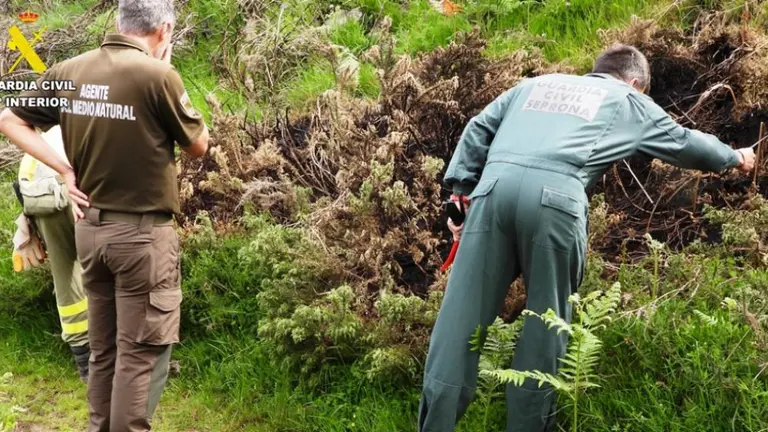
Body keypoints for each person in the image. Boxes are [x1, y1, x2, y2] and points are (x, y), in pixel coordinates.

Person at [418, 43, 756, 432]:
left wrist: (460, 196)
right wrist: (736, 157)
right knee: (546, 324)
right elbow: (684, 143)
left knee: (459, 324)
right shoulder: (627, 98)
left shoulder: (536, 85)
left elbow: (478, 127)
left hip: (491, 194)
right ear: (634, 82)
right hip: (556, 201)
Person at [0, 0, 210, 430]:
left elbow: (10, 119)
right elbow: (198, 145)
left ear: (119, 23)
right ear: (164, 30)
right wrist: (168, 70)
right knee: (139, 353)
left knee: (104, 353)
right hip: (142, 239)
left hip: (90, 232)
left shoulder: (69, 71)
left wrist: (63, 169)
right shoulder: (158, 76)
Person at [11, 125, 90, 383]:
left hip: (36, 188)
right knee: (108, 263)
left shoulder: (46, 132)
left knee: (65, 270)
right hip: (71, 178)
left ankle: (85, 363)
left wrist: (28, 223)